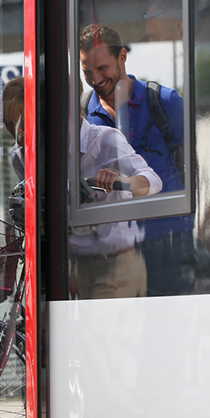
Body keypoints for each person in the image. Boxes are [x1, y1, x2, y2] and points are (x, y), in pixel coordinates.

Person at [79, 23, 195, 296]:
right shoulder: (83, 114)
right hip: (115, 250)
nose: (95, 79)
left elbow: (200, 162)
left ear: (122, 57)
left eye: (102, 68)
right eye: (87, 72)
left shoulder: (165, 102)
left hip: (168, 238)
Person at [70, 116, 162, 298]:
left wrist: (122, 182)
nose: (19, 134)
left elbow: (153, 181)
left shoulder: (104, 139)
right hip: (76, 265)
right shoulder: (28, 151)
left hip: (116, 264)